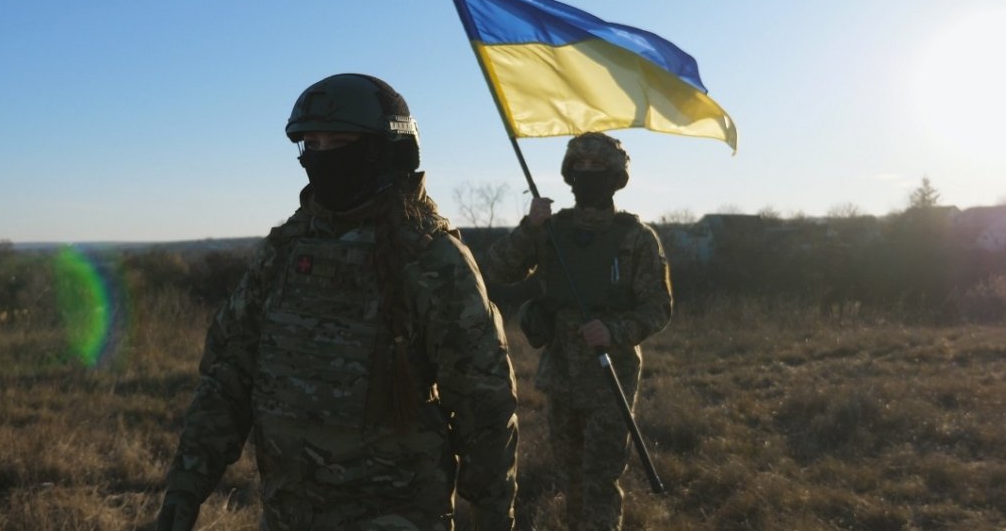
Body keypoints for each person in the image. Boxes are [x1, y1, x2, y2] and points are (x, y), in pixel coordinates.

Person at [156, 73, 519, 531]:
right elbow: (228, 376)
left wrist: (492, 516)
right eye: (313, 145)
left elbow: (484, 406)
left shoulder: (431, 259)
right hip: (288, 513)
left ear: (386, 150)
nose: (324, 157)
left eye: (340, 142)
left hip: (396, 515)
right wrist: (185, 490)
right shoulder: (285, 250)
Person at [480, 132, 672, 531]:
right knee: (570, 478)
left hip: (610, 376)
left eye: (597, 169)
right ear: (569, 174)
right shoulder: (552, 230)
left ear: (616, 176)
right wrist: (530, 228)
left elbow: (658, 308)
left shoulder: (636, 239)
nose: (587, 176)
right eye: (579, 168)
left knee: (599, 480)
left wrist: (615, 329)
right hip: (561, 373)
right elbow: (496, 270)